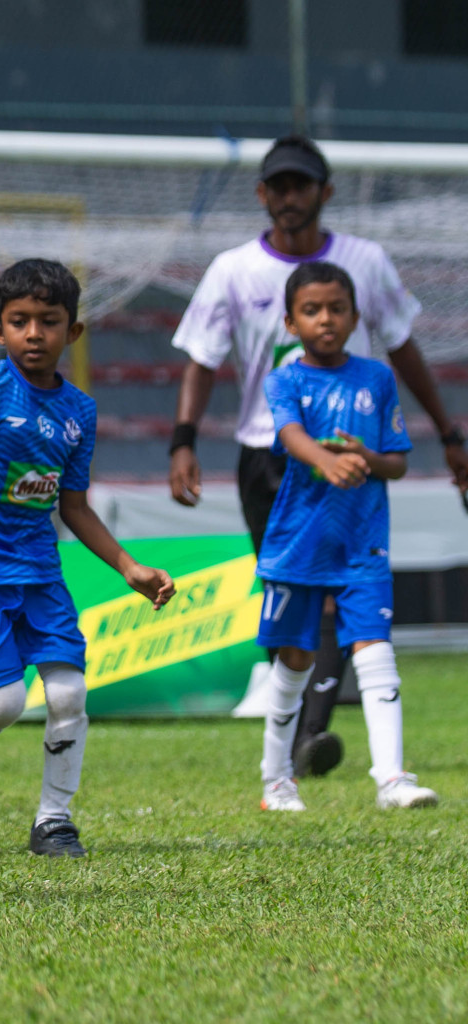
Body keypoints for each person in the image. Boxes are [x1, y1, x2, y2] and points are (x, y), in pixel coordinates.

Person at [168, 135, 468, 778]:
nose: (288, 197)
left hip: (349, 457)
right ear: (262, 195)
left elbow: (402, 347)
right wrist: (183, 439)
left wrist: (448, 433)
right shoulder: (233, 269)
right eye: (278, 186)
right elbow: (201, 360)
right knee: (296, 597)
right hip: (267, 457)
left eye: (300, 185)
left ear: (324, 193)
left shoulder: (365, 261)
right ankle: (295, 733)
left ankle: (310, 742)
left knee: (340, 598)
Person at [0, 259, 176, 858]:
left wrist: (128, 567)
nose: (33, 334)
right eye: (19, 322)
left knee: (69, 694)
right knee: (5, 703)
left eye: (48, 322)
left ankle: (54, 821)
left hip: (41, 570)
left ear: (72, 333)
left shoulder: (81, 412)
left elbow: (72, 506)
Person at [253, 261, 437, 813]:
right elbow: (288, 435)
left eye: (337, 309)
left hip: (363, 544)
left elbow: (399, 464)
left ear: (356, 317)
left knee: (376, 649)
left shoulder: (377, 378)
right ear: (290, 321)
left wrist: (364, 459)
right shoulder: (284, 378)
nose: (326, 319)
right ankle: (276, 779)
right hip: (299, 544)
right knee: (296, 658)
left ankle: (392, 779)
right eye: (312, 310)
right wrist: (325, 461)